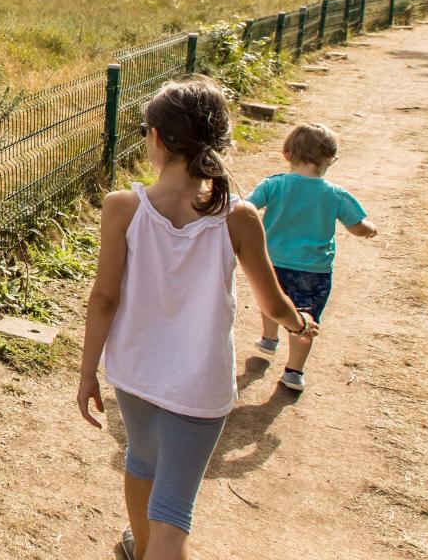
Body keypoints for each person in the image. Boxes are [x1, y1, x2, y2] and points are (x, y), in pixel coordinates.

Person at [77, 77, 317, 560]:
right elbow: (271, 303)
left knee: (141, 462)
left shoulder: (122, 208)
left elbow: (103, 298)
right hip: (199, 386)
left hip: (136, 372)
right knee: (173, 514)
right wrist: (298, 325)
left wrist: (87, 373)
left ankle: (141, 548)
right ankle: (151, 548)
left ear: (155, 137)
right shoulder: (238, 217)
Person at [248, 122, 377, 392]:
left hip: (272, 261)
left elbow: (247, 207)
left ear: (286, 153)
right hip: (314, 270)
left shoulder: (274, 185)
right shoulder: (336, 195)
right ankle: (294, 372)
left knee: (270, 299)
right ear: (331, 159)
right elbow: (356, 226)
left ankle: (269, 338)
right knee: (305, 317)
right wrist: (369, 229)